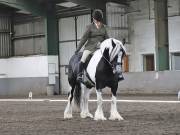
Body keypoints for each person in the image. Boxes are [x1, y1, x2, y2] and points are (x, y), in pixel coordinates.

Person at [75, 9, 109, 82]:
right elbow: (84, 38)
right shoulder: (89, 27)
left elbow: (107, 39)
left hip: (100, 48)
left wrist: (104, 44)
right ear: (93, 19)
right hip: (89, 48)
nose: (97, 21)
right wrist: (78, 49)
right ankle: (79, 75)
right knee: (83, 59)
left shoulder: (104, 27)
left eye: (97, 20)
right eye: (96, 20)